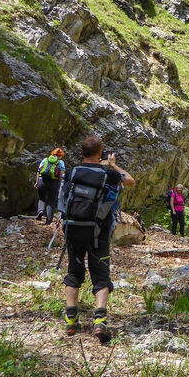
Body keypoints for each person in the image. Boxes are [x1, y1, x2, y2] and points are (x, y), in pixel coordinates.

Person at [59, 136, 135, 343]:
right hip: (97, 232)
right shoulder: (108, 174)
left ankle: (71, 319)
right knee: (100, 274)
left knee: (74, 272)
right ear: (100, 153)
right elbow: (129, 180)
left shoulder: (74, 172)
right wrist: (112, 164)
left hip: (73, 228)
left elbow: (63, 198)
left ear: (82, 152)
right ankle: (99, 321)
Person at [35, 148, 65, 224]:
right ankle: (48, 221)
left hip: (42, 181)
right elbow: (62, 175)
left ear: (52, 153)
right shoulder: (60, 162)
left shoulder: (45, 160)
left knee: (41, 198)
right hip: (53, 183)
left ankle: (40, 211)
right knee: (51, 201)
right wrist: (62, 184)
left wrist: (37, 182)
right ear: (60, 155)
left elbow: (39, 171)